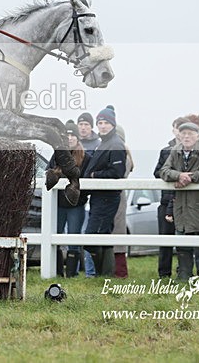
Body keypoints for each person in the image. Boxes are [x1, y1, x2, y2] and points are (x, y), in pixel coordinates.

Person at [159, 122, 199, 281]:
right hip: (182, 207)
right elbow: (164, 171)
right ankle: (184, 278)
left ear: (197, 135)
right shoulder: (175, 151)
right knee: (183, 245)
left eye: (190, 133)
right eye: (183, 133)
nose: (186, 136)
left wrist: (189, 178)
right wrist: (178, 176)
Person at [153, 114, 199, 278]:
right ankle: (164, 274)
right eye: (176, 128)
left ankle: (187, 272)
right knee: (165, 240)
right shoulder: (166, 151)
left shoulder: (197, 151)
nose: (178, 132)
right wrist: (177, 175)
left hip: (186, 201)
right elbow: (157, 172)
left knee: (188, 239)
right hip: (166, 199)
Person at [82, 105, 126, 276]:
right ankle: (105, 274)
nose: (102, 126)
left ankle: (103, 273)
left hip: (107, 198)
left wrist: (93, 175)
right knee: (103, 234)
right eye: (100, 122)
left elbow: (117, 173)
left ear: (113, 125)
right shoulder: (105, 143)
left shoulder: (115, 144)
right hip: (99, 197)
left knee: (93, 236)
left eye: (106, 122)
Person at [45, 121, 91, 277]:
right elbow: (48, 172)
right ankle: (57, 271)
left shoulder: (86, 157)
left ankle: (72, 273)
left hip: (76, 205)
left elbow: (86, 179)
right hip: (58, 203)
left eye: (73, 135)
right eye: (67, 135)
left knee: (73, 236)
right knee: (55, 234)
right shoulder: (57, 155)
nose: (70, 138)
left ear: (78, 138)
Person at [112, 124, 134, 278]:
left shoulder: (123, 156)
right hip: (111, 198)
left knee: (118, 233)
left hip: (118, 197)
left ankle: (120, 271)